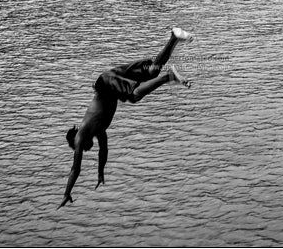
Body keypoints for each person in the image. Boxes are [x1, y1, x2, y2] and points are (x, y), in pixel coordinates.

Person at [59, 28, 192, 208]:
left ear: (74, 140)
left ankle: (168, 77)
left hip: (106, 83)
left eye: (77, 148)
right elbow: (103, 151)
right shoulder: (99, 131)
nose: (82, 150)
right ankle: (173, 37)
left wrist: (67, 193)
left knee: (134, 95)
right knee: (151, 71)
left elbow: (75, 168)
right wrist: (100, 172)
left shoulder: (81, 136)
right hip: (110, 82)